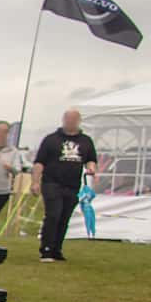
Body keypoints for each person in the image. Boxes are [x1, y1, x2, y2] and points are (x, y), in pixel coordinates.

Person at [32, 108, 98, 262]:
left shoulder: (86, 141)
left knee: (64, 217)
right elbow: (39, 162)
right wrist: (35, 182)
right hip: (51, 183)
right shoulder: (51, 140)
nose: (71, 122)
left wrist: (91, 168)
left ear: (79, 121)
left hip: (73, 185)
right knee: (53, 215)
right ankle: (46, 249)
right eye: (68, 119)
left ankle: (57, 249)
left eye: (74, 119)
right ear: (63, 120)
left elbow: (91, 159)